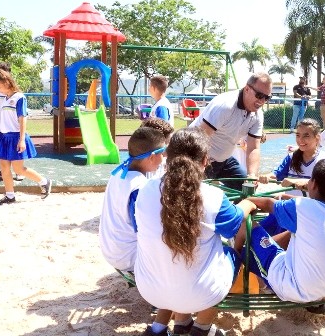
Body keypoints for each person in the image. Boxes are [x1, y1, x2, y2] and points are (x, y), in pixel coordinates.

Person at [134, 128, 257, 336]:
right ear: (205, 161)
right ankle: (202, 328)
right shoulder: (213, 196)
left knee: (172, 254)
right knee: (229, 252)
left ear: (167, 157)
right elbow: (235, 224)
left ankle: (174, 323)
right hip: (200, 293)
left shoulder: (145, 191)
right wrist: (248, 203)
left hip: (150, 289)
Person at [235, 159, 325, 313]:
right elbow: (312, 206)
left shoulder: (303, 208)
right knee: (291, 231)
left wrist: (247, 201)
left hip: (294, 288)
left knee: (247, 226)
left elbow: (269, 204)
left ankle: (235, 258)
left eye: (310, 179)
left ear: (314, 184)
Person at [99, 126, 167, 272]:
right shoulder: (138, 187)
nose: (163, 159)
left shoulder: (118, 173)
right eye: (163, 153)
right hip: (127, 256)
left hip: (110, 249)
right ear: (152, 157)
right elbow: (144, 229)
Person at [190, 72, 271, 190]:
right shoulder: (225, 106)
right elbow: (199, 138)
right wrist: (198, 166)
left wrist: (252, 175)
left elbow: (253, 147)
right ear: (247, 89)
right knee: (194, 198)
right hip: (199, 158)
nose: (263, 101)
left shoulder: (258, 114)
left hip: (224, 160)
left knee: (247, 188)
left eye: (267, 97)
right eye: (259, 95)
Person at [0, 70, 52, 205]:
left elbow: (23, 118)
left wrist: (22, 139)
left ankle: (44, 181)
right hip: (5, 138)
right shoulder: (5, 98)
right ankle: (10, 196)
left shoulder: (19, 97)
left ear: (7, 83)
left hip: (16, 137)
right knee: (4, 167)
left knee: (19, 169)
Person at [259, 118, 325, 195]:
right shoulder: (291, 157)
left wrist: (296, 181)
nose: (300, 140)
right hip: (291, 204)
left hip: (313, 205)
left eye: (306, 136)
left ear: (317, 137)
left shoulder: (324, 159)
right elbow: (277, 174)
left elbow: (324, 186)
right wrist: (267, 176)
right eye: (298, 135)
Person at [0, 62, 23, 182]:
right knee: (1, 149)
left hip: (11, 125)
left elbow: (21, 112)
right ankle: (3, 172)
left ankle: (19, 171)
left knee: (15, 147)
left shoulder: (14, 91)